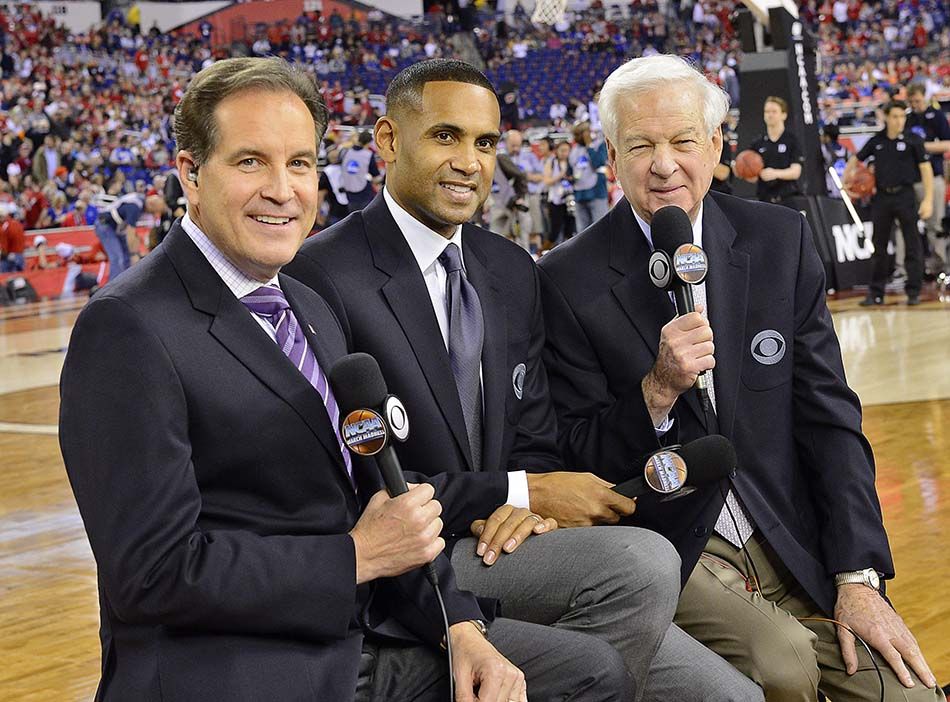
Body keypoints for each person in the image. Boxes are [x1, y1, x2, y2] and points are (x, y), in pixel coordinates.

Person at [59, 57, 627, 702]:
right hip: (237, 665)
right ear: (190, 173)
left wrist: (459, 623)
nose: (282, 190)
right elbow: (151, 574)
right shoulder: (127, 327)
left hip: (357, 632)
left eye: (300, 163)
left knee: (588, 671)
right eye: (251, 162)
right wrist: (355, 557)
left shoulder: (307, 305)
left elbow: (381, 498)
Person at [285, 58, 762, 702]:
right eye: (445, 136)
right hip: (409, 566)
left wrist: (523, 507)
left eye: (484, 143)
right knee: (640, 564)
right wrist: (513, 492)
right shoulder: (317, 275)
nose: (468, 161)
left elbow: (534, 437)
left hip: (508, 546)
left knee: (734, 698)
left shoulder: (508, 268)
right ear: (389, 140)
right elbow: (357, 478)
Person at [538, 54, 944, 702]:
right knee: (783, 666)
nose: (664, 164)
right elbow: (579, 458)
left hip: (786, 530)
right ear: (612, 155)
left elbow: (829, 419)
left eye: (682, 141)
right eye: (641, 145)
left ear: (718, 145)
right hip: (673, 544)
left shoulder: (779, 238)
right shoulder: (566, 278)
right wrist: (657, 391)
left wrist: (858, 576)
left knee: (912, 695)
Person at [846, 100, 933, 306]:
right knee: (879, 246)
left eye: (902, 116)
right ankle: (876, 292)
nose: (899, 121)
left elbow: (926, 170)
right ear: (886, 117)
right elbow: (855, 159)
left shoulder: (913, 140)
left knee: (912, 244)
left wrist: (928, 199)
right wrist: (846, 178)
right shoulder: (876, 141)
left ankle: (913, 291)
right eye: (895, 116)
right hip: (882, 197)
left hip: (906, 195)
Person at [906, 84, 950, 273]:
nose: (915, 104)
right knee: (908, 225)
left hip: (934, 175)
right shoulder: (907, 118)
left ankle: (942, 265)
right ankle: (910, 268)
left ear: (924, 97)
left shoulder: (936, 115)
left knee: (936, 224)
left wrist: (922, 147)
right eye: (911, 101)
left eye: (917, 100)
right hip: (911, 178)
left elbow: (947, 143)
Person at [739, 96, 804, 205]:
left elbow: (795, 172)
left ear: (784, 115)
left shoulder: (791, 140)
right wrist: (745, 171)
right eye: (767, 111)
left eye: (774, 111)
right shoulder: (758, 142)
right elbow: (753, 176)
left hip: (788, 197)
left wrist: (775, 173)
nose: (770, 115)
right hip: (764, 198)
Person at [93, 189, 162, 281]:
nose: (152, 213)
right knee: (117, 258)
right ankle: (113, 290)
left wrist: (134, 252)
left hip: (117, 227)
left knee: (126, 257)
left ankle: (125, 284)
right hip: (105, 225)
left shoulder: (139, 200)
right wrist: (134, 254)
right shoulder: (135, 206)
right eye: (153, 211)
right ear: (150, 204)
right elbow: (130, 232)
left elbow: (132, 234)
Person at [569, 120, 609, 232]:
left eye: (581, 133)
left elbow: (598, 162)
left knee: (601, 230)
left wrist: (589, 145)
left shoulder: (599, 145)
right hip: (579, 194)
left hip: (596, 192)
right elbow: (570, 171)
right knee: (582, 232)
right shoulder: (573, 150)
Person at [339, 129, 381, 212]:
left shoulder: (345, 152)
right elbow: (376, 176)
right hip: (364, 192)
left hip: (348, 191)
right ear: (368, 143)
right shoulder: (368, 155)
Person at [820, 123, 851, 199]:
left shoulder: (823, 149)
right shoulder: (846, 151)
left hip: (830, 188)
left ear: (827, 137)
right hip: (844, 189)